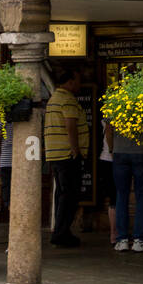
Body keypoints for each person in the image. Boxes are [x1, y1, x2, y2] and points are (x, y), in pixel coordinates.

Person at [44, 67, 89, 248]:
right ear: (69, 82)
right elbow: (70, 125)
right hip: (67, 154)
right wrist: (75, 150)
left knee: (62, 193)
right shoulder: (68, 99)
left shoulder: (54, 98)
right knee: (69, 195)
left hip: (55, 154)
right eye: (77, 80)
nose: (79, 84)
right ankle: (61, 233)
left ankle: (60, 231)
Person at [112, 124, 143, 253]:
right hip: (142, 151)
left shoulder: (114, 103)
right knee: (142, 195)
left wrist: (113, 149)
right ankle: (140, 239)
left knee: (121, 195)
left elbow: (108, 129)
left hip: (120, 151)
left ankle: (122, 240)